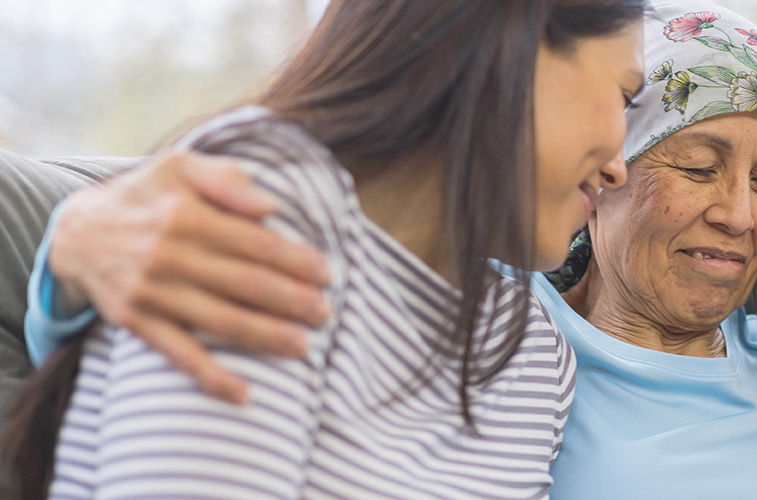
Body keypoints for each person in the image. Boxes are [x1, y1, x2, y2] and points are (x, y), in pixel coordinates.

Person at [22, 2, 757, 498]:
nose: (740, 214)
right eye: (693, 164)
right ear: (607, 179)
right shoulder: (516, 324)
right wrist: (78, 237)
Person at [5, 1, 646, 498]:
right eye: (622, 95)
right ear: (513, 47)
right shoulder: (262, 214)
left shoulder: (533, 354)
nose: (620, 167)